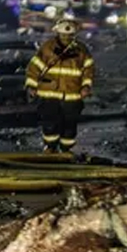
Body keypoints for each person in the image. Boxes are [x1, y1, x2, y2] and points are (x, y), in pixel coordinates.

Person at [26, 17, 94, 153]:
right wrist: (31, 86)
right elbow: (34, 67)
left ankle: (66, 149)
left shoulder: (81, 51)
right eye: (64, 35)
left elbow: (88, 70)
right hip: (49, 93)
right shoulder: (47, 48)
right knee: (50, 121)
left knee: (70, 123)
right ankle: (50, 147)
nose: (66, 38)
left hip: (72, 95)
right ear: (58, 33)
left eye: (69, 35)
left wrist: (86, 86)